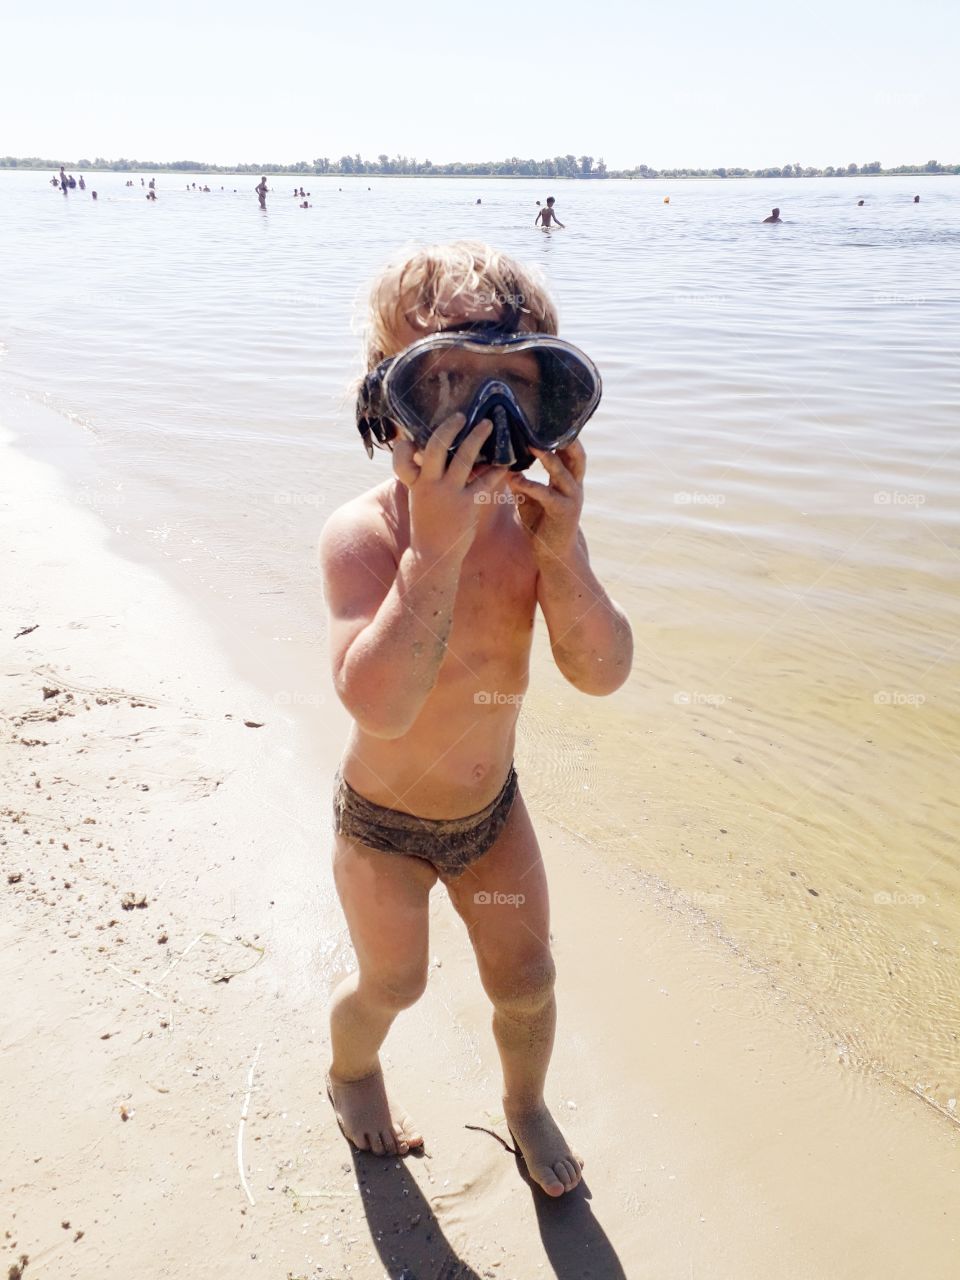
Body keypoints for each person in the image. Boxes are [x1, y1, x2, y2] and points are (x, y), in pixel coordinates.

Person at [319, 241, 632, 1197]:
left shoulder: (532, 535)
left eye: (514, 387)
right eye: (449, 383)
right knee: (393, 986)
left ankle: (525, 1103)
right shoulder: (366, 535)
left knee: (528, 981)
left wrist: (567, 556)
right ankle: (352, 1072)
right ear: (390, 402)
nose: (486, 420)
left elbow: (602, 672)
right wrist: (434, 557)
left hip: (493, 815)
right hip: (382, 830)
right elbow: (379, 700)